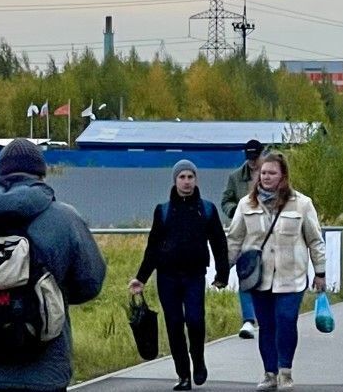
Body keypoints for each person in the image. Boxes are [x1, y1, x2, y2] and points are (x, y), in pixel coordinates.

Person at [0, 137, 106, 392]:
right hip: (45, 368)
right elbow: (91, 282)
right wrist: (50, 295)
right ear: (41, 174)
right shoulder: (64, 218)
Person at [226, 151, 326, 391]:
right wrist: (223, 270)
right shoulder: (246, 204)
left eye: (272, 173)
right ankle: (269, 373)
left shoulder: (302, 203)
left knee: (286, 320)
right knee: (267, 325)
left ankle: (285, 371)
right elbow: (235, 239)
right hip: (259, 278)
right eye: (263, 173)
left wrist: (320, 272)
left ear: (283, 176)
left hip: (291, 276)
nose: (266, 177)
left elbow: (315, 240)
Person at [130, 160, 229, 390]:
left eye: (190, 177)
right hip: (168, 276)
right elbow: (152, 247)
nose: (186, 182)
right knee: (174, 324)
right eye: (182, 177)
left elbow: (219, 243)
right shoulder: (163, 211)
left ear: (196, 180)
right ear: (175, 180)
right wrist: (141, 278)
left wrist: (222, 273)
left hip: (194, 275)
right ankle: (183, 374)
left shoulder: (206, 209)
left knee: (195, 320)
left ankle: (199, 359)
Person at [221, 138, 264, 339]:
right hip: (245, 232)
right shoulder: (236, 177)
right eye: (249, 158)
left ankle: (266, 316)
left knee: (268, 276)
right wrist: (235, 211)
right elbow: (226, 200)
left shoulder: (273, 174)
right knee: (246, 273)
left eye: (255, 157)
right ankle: (248, 319)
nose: (252, 162)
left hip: (270, 234)